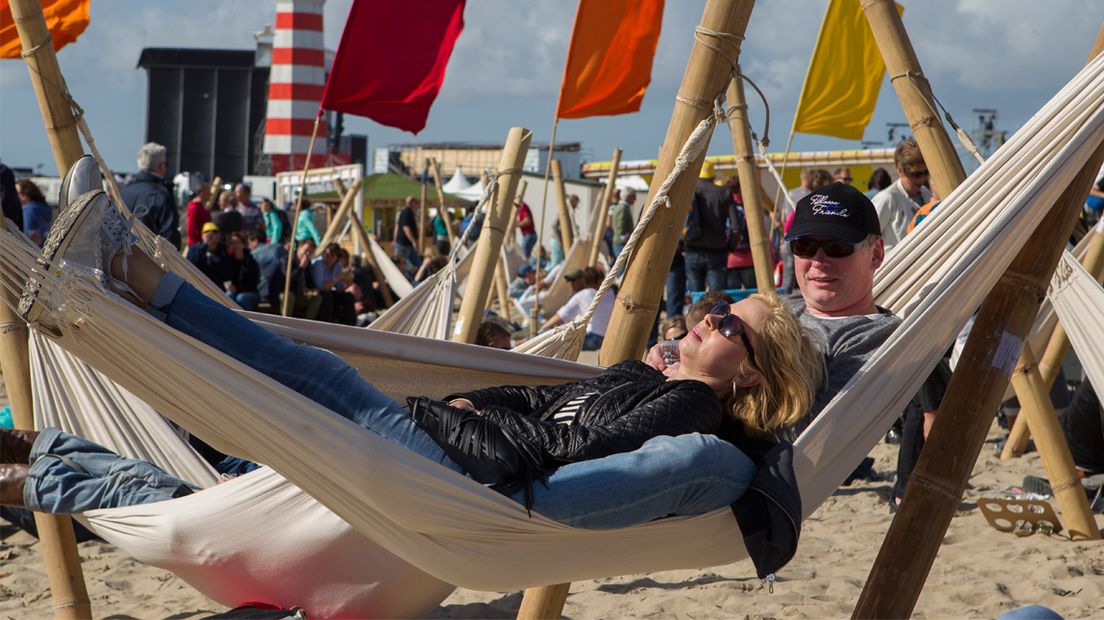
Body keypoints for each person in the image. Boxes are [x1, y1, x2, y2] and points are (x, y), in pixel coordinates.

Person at [5, 187, 825, 580]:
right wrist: (476, 403)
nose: (709, 318)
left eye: (730, 326)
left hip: (455, 478)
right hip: (448, 454)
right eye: (717, 307)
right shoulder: (648, 379)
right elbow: (539, 403)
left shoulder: (690, 410)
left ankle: (128, 276)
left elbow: (570, 449)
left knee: (301, 374)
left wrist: (472, 422)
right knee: (249, 447)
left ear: (752, 372)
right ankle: (49, 438)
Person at [685, 161, 739, 293]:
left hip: (693, 249)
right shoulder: (724, 193)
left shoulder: (690, 192)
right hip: (717, 251)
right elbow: (735, 226)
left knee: (696, 296)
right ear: (713, 176)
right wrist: (730, 246)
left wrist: (682, 243)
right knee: (716, 297)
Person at [872, 139, 932, 250]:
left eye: (926, 173)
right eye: (916, 174)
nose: (922, 179)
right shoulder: (887, 198)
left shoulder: (926, 194)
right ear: (900, 170)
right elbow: (867, 239)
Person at [120, 142, 180, 248]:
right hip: (150, 255)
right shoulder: (161, 194)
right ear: (161, 166)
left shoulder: (124, 191)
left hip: (124, 253)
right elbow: (169, 237)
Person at [186, 222, 231, 288]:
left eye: (215, 232)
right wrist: (205, 245)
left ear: (219, 235)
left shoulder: (223, 250)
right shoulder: (194, 249)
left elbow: (227, 270)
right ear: (202, 235)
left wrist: (227, 282)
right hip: (200, 286)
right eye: (206, 232)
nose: (211, 235)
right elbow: (191, 266)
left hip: (219, 288)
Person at [226, 231, 261, 311]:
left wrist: (238, 289)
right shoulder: (228, 260)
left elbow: (253, 282)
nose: (235, 245)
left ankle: (247, 318)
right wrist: (227, 283)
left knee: (241, 298)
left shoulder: (251, 260)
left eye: (237, 243)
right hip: (235, 292)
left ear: (243, 244)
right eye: (232, 243)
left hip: (251, 292)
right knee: (228, 295)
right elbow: (225, 277)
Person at [16, 179, 52, 246]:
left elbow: (28, 237)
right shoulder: (44, 209)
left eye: (16, 193)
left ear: (25, 195)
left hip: (31, 250)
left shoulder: (28, 211)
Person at [393, 196, 421, 273]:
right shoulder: (407, 213)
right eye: (416, 202)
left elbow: (397, 226)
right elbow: (406, 228)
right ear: (412, 203)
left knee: (403, 265)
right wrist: (413, 241)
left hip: (402, 243)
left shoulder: (405, 213)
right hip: (405, 245)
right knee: (403, 265)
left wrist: (395, 240)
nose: (417, 205)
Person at [610, 187, 636, 258]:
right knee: (623, 265)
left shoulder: (621, 207)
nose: (635, 199)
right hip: (621, 244)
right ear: (628, 197)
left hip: (620, 243)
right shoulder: (622, 209)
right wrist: (626, 240)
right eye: (633, 196)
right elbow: (620, 228)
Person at [185, 182, 212, 247]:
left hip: (203, 242)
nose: (211, 194)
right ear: (201, 193)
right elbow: (191, 228)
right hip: (197, 244)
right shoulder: (194, 207)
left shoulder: (203, 206)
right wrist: (196, 244)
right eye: (208, 192)